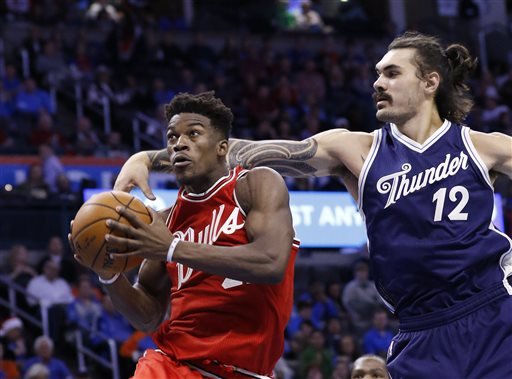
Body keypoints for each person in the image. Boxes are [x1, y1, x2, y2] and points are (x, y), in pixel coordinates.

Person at [114, 32, 512, 378]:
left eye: (391, 73)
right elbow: (242, 151)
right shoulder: (356, 150)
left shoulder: (484, 147)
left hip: (495, 311)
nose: (377, 83)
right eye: (376, 74)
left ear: (430, 82)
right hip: (420, 328)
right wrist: (149, 158)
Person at [70, 91, 299, 378]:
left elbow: (271, 263)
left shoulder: (255, 185)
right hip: (173, 365)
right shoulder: (163, 222)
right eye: (171, 137)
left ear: (221, 148)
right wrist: (109, 274)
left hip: (248, 370)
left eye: (193, 134)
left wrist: (172, 249)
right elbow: (149, 315)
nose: (179, 144)